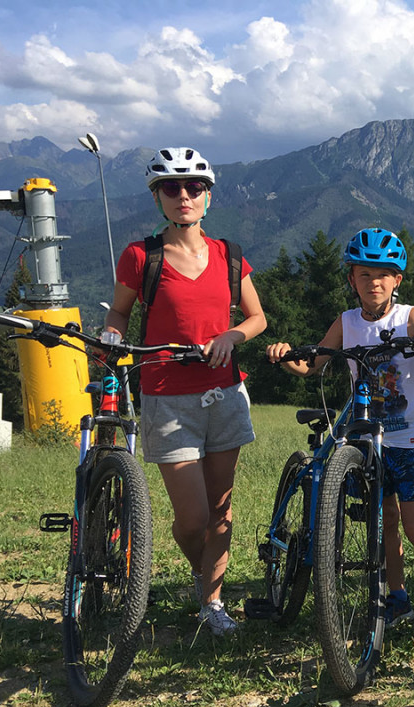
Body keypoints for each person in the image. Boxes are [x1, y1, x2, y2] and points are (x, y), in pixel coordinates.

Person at [266, 228, 414, 649]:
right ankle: (397, 598)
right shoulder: (346, 322)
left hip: (406, 439)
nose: (374, 282)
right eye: (364, 274)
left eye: (383, 274)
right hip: (364, 440)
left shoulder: (410, 316)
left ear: (397, 280)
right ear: (351, 280)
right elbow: (313, 365)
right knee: (385, 521)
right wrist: (285, 357)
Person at [104, 147, 267, 635]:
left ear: (208, 197)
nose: (184, 196)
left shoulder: (229, 256)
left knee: (221, 510)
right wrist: (112, 334)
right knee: (193, 518)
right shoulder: (142, 257)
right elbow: (119, 312)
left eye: (194, 187)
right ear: (158, 197)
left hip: (225, 393)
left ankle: (212, 603)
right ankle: (204, 577)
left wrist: (231, 336)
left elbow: (257, 318)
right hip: (166, 395)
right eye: (171, 188)